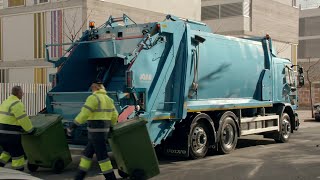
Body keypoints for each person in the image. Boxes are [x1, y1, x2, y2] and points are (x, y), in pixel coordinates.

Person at [67, 82, 118, 180]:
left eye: (92, 88)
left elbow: (84, 114)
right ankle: (79, 176)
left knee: (102, 157)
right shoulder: (109, 99)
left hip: (95, 131)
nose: (91, 90)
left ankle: (111, 178)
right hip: (103, 131)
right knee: (87, 154)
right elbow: (115, 115)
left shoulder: (93, 98)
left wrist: (73, 125)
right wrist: (111, 125)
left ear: (94, 88)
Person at [0, 86, 35, 171]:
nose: (23, 94)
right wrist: (30, 130)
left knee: (7, 151)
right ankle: (18, 172)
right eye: (22, 92)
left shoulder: (6, 102)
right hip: (11, 135)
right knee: (18, 154)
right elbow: (23, 119)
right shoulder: (17, 103)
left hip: (1, 133)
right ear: (18, 93)